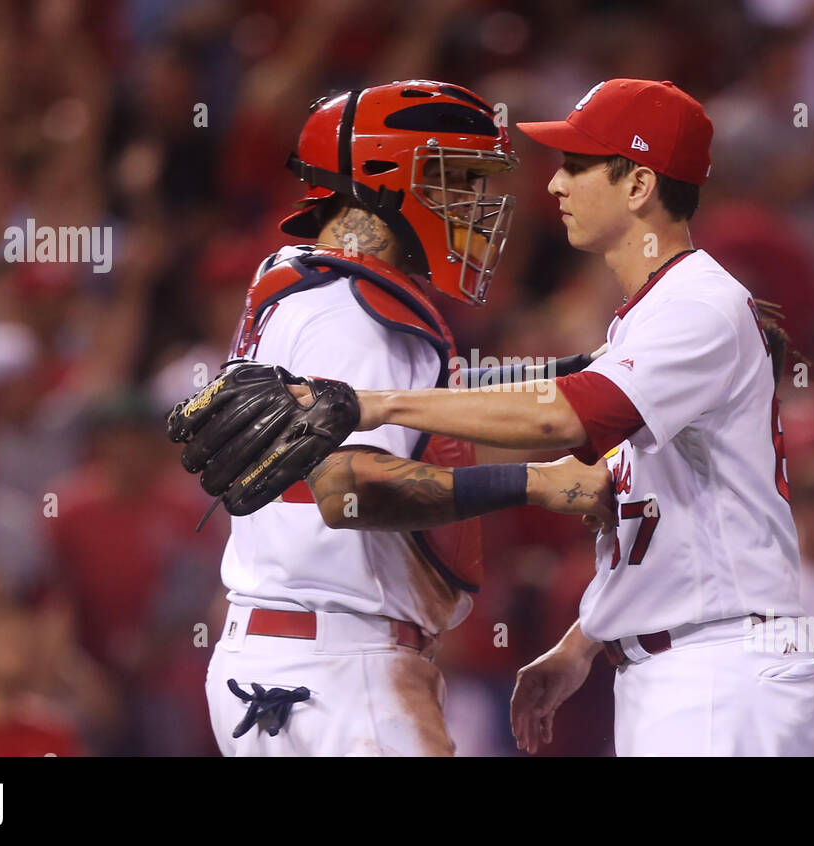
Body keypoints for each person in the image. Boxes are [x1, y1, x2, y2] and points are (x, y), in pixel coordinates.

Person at [335, 79, 814, 756]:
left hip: (718, 673)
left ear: (639, 186)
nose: (556, 185)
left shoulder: (697, 306)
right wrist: (585, 638)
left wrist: (370, 403)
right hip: (688, 669)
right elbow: (665, 513)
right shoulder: (650, 318)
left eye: (577, 165)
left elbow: (560, 419)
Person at [200, 80, 614, 756]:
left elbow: (431, 402)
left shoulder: (306, 282)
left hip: (294, 658)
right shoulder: (356, 316)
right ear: (386, 178)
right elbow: (350, 489)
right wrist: (536, 483)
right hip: (341, 670)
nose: (478, 205)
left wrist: (575, 369)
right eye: (456, 179)